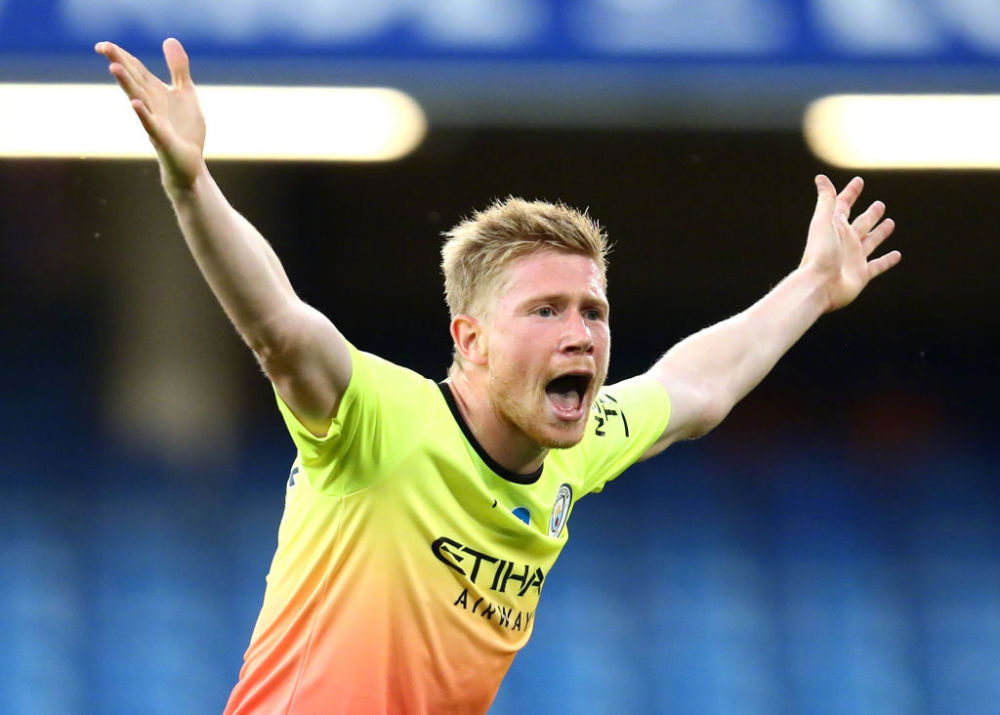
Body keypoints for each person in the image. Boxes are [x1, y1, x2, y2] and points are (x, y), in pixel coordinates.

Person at [95, 38, 900, 715]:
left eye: (592, 310)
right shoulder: (385, 422)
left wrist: (813, 286)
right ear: (471, 340)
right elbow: (280, 327)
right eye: (545, 310)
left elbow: (698, 388)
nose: (580, 334)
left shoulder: (576, 447)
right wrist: (192, 184)